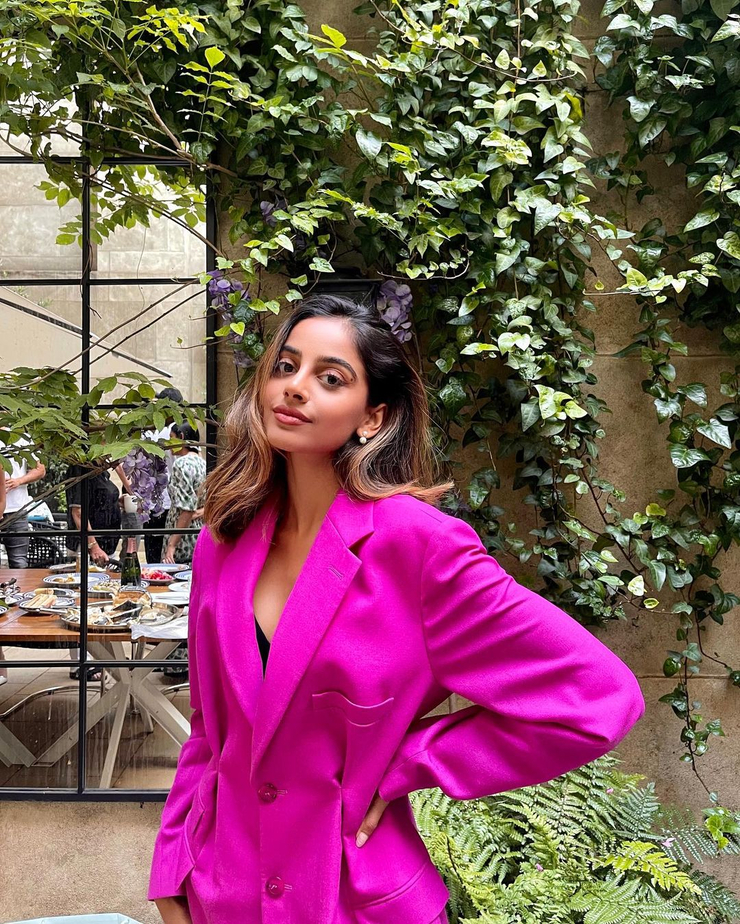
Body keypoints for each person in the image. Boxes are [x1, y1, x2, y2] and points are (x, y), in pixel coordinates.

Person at [148, 295, 646, 924]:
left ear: (372, 418)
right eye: (285, 366)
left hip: (356, 898)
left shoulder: (421, 548)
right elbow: (207, 734)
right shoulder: (222, 542)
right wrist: (172, 874)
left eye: (331, 378)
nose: (295, 387)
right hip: (223, 895)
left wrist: (410, 761)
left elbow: (598, 696)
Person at [122, 386, 184, 564]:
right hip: (170, 501)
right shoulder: (176, 430)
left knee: (154, 552)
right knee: (167, 554)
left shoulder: (156, 431)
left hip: (156, 500)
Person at [0, 430, 46, 568]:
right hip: (10, 506)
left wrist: (19, 481)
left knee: (19, 561)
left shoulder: (20, 438)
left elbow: (40, 469)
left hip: (16, 508)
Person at [162, 423, 206, 567]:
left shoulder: (181, 465)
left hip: (182, 534)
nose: (168, 443)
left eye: (171, 437)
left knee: (176, 573)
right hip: (199, 530)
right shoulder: (204, 464)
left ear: (181, 437)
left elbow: (187, 508)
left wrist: (172, 544)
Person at [64, 462, 122, 566]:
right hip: (89, 550)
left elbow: (99, 499)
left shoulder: (101, 470)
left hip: (107, 546)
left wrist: (115, 501)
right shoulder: (80, 468)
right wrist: (93, 546)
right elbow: (78, 512)